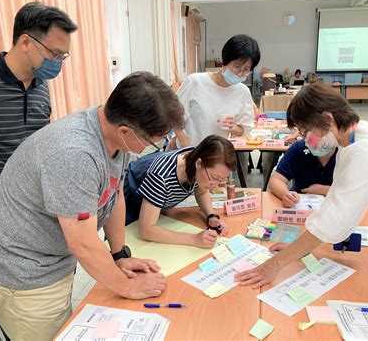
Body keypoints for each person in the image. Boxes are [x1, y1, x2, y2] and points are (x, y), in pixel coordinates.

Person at [0, 72, 185, 340]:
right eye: (155, 140)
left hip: (50, 256)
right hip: (23, 269)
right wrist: (128, 288)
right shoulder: (74, 154)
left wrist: (119, 255)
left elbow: (114, 193)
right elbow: (82, 243)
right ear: (125, 130)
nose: (156, 147)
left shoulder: (113, 134)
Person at [236, 82, 368, 287]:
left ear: (328, 119)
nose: (306, 139)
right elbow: (332, 203)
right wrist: (298, 246)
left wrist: (274, 265)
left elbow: (336, 220)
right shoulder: (352, 142)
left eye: (307, 131)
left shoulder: (366, 150)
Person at [0, 2, 77, 235]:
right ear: (26, 42)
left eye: (64, 55)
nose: (58, 62)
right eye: (54, 53)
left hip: (38, 198)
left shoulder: (41, 84)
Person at [174, 34, 260, 184]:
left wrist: (232, 127)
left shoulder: (242, 92)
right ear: (225, 61)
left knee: (211, 203)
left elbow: (244, 128)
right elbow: (175, 120)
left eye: (246, 70)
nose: (240, 74)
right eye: (237, 67)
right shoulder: (195, 82)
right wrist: (190, 152)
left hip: (216, 162)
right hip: (186, 155)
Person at [124, 135, 236, 248]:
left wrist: (211, 215)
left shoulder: (198, 161)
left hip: (155, 205)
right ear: (198, 164)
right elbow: (146, 230)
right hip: (130, 200)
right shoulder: (161, 175)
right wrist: (194, 239)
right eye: (214, 178)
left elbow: (201, 192)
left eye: (221, 179)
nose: (216, 185)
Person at [268, 138, 337, 207]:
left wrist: (324, 190)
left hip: (337, 206)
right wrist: (285, 194)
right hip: (299, 202)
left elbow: (347, 192)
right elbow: (276, 179)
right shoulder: (299, 148)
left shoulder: (344, 151)